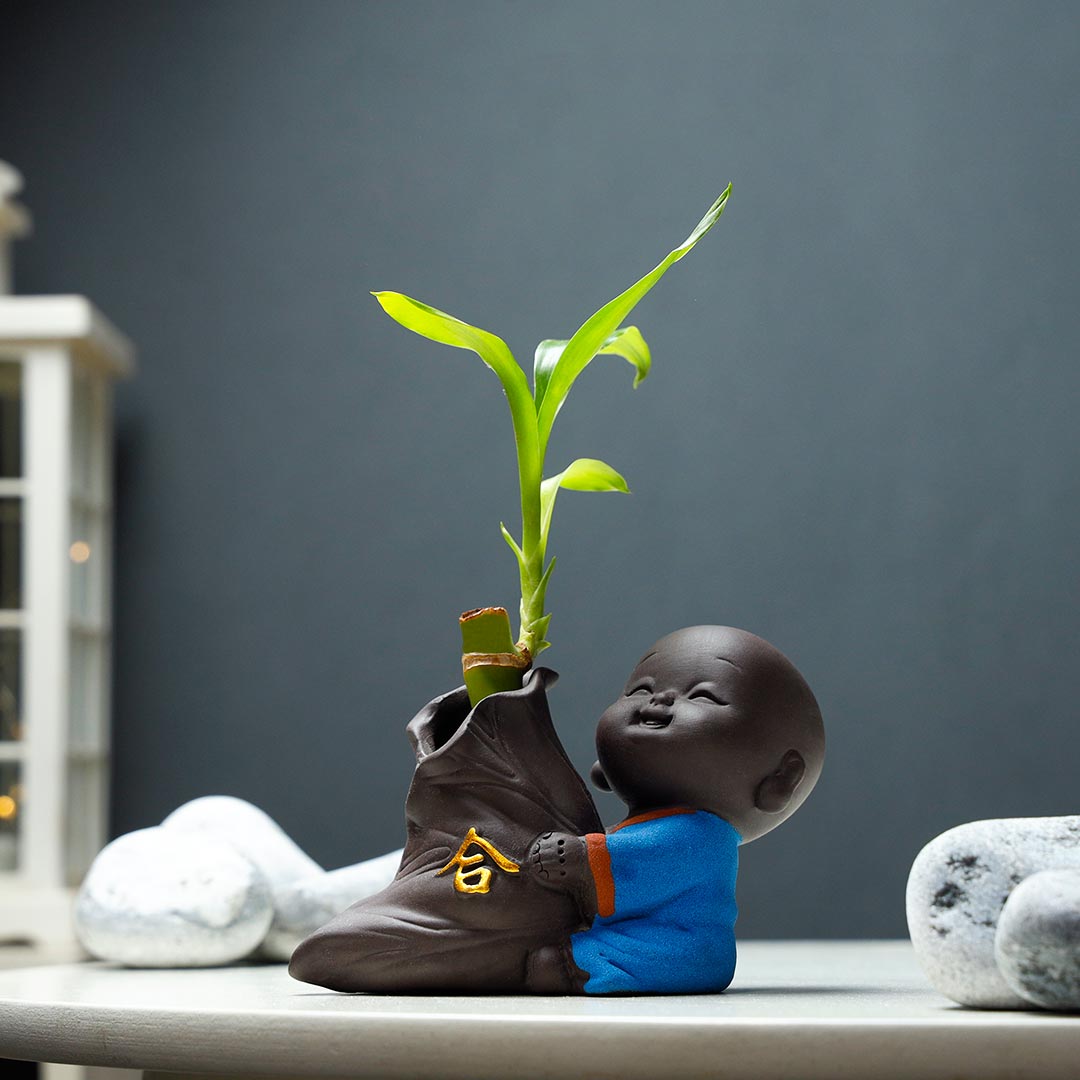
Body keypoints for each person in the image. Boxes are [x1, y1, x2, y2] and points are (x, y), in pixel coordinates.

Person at [289, 626, 824, 995]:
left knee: (606, 955)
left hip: (681, 947)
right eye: (641, 688)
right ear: (605, 772)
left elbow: (637, 862)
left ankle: (564, 967)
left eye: (702, 697)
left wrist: (580, 858)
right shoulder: (647, 822)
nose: (656, 702)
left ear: (777, 782)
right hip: (618, 925)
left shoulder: (702, 837)